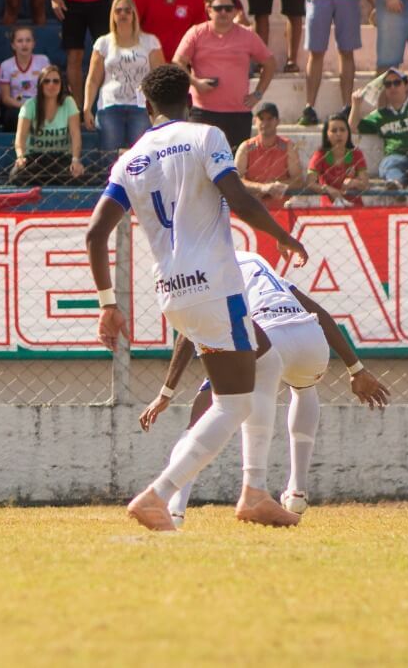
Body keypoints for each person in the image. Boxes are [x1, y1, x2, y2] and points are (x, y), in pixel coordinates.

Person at [85, 63, 308, 532]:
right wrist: (282, 236)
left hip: (172, 292)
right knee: (233, 403)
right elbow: (242, 201)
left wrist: (108, 303)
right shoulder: (206, 137)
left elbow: (94, 234)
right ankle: (159, 496)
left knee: (264, 361)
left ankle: (254, 491)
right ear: (190, 99)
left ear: (146, 107)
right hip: (215, 286)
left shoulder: (130, 159)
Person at [150, 250, 390, 527]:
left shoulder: (204, 268)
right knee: (303, 388)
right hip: (311, 339)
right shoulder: (254, 260)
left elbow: (188, 332)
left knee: (205, 416)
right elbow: (320, 313)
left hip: (268, 337)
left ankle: (175, 510)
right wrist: (355, 368)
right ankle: (297, 490)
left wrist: (166, 391)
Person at [172, 0, 275, 152]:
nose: (223, 12)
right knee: (200, 165)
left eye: (228, 9)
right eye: (218, 8)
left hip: (238, 113)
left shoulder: (247, 36)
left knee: (233, 168)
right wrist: (196, 83)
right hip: (201, 111)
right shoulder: (196, 33)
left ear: (235, 12)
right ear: (209, 10)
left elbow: (270, 64)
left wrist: (258, 94)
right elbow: (178, 62)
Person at [84, 0, 163, 152]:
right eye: (118, 11)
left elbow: (159, 77)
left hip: (142, 107)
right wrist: (87, 108)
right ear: (112, 15)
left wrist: (160, 110)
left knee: (141, 156)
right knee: (109, 157)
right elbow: (93, 79)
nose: (123, 14)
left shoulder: (150, 41)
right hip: (110, 106)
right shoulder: (103, 43)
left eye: (127, 10)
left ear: (134, 14)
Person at [348, 66, 408, 195]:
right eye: (388, 85)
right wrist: (356, 105)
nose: (392, 87)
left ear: (406, 86)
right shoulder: (380, 115)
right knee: (391, 164)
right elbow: (352, 128)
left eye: (397, 83)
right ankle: (395, 186)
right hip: (397, 155)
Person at [10, 64, 84, 185]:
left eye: (56, 81)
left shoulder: (69, 103)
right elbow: (20, 137)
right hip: (34, 157)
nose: (51, 85)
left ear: (61, 84)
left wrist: (75, 160)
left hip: (60, 157)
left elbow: (75, 135)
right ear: (40, 85)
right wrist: (20, 157)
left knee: (78, 176)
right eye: (46, 81)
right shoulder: (29, 105)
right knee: (16, 176)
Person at [234, 100, 302, 207]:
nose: (265, 123)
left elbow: (298, 180)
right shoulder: (246, 147)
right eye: (261, 119)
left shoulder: (288, 146)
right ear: (255, 121)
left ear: (277, 121)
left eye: (270, 118)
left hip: (280, 208)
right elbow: (235, 180)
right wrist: (262, 187)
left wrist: (278, 186)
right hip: (252, 207)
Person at [307, 113, 369, 206]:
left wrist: (354, 183)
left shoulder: (357, 154)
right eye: (334, 130)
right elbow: (310, 183)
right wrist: (327, 189)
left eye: (342, 130)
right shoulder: (320, 155)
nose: (339, 134)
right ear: (327, 134)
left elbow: (365, 185)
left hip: (354, 207)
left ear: (348, 133)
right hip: (329, 208)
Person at [0, 24, 49, 129]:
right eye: (20, 41)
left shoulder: (43, 61)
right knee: (12, 116)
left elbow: (49, 88)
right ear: (13, 45)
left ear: (33, 43)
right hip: (17, 107)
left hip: (39, 106)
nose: (24, 44)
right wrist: (24, 107)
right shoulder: (6, 65)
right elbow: (6, 98)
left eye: (28, 40)